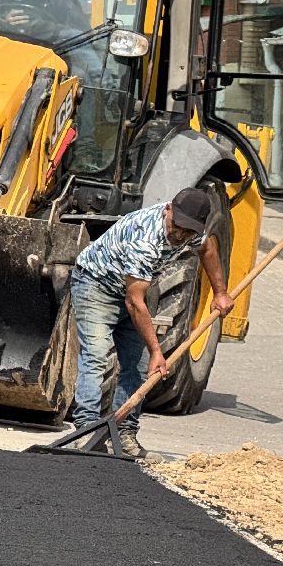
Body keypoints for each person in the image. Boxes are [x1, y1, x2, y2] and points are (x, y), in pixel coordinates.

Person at [68, 187, 235, 460]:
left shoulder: (192, 233)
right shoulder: (145, 239)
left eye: (187, 231)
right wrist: (158, 351)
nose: (179, 235)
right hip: (96, 286)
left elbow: (207, 249)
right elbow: (135, 303)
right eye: (176, 225)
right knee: (97, 356)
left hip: (132, 293)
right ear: (168, 209)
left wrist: (220, 292)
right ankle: (85, 430)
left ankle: (125, 435)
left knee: (138, 366)